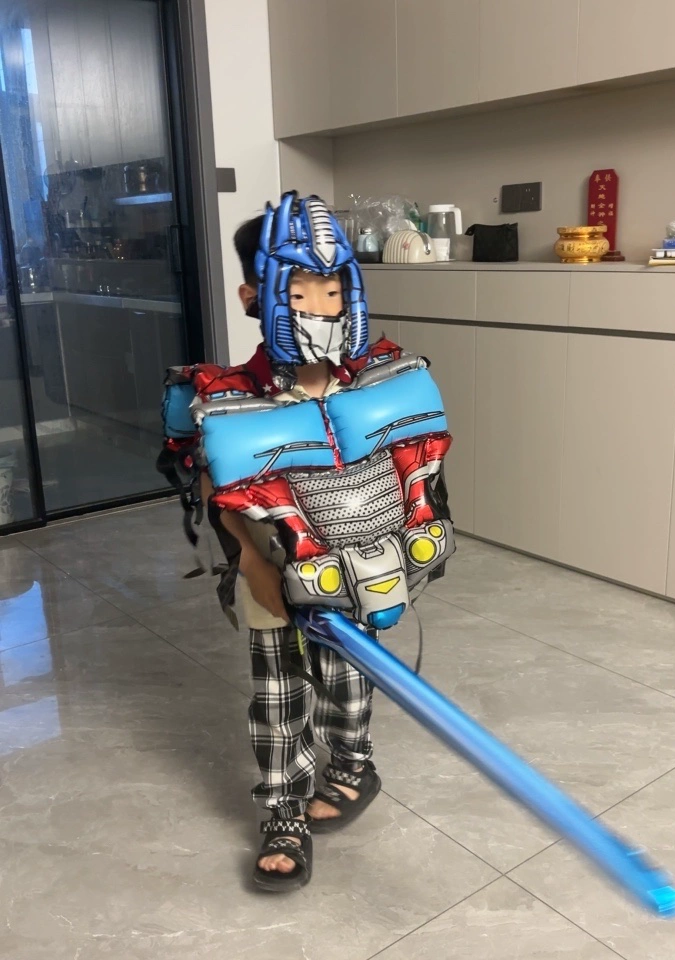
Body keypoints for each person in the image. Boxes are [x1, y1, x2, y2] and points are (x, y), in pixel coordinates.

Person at [160, 192, 453, 892]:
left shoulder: (384, 377)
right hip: (274, 568)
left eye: (330, 289)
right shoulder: (230, 396)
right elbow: (214, 483)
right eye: (298, 292)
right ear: (254, 297)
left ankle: (353, 766)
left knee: (349, 683)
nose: (319, 307)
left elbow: (417, 468)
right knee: (279, 693)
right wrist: (251, 561)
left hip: (361, 568)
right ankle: (283, 812)